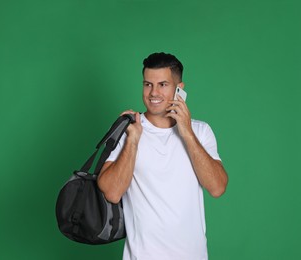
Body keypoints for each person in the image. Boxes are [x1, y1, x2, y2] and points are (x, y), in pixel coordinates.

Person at [97, 52, 228, 260]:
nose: (153, 92)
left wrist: (186, 131)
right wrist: (133, 140)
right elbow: (112, 193)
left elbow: (217, 187)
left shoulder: (201, 132)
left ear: (179, 89)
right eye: (148, 84)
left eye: (163, 85)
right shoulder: (128, 130)